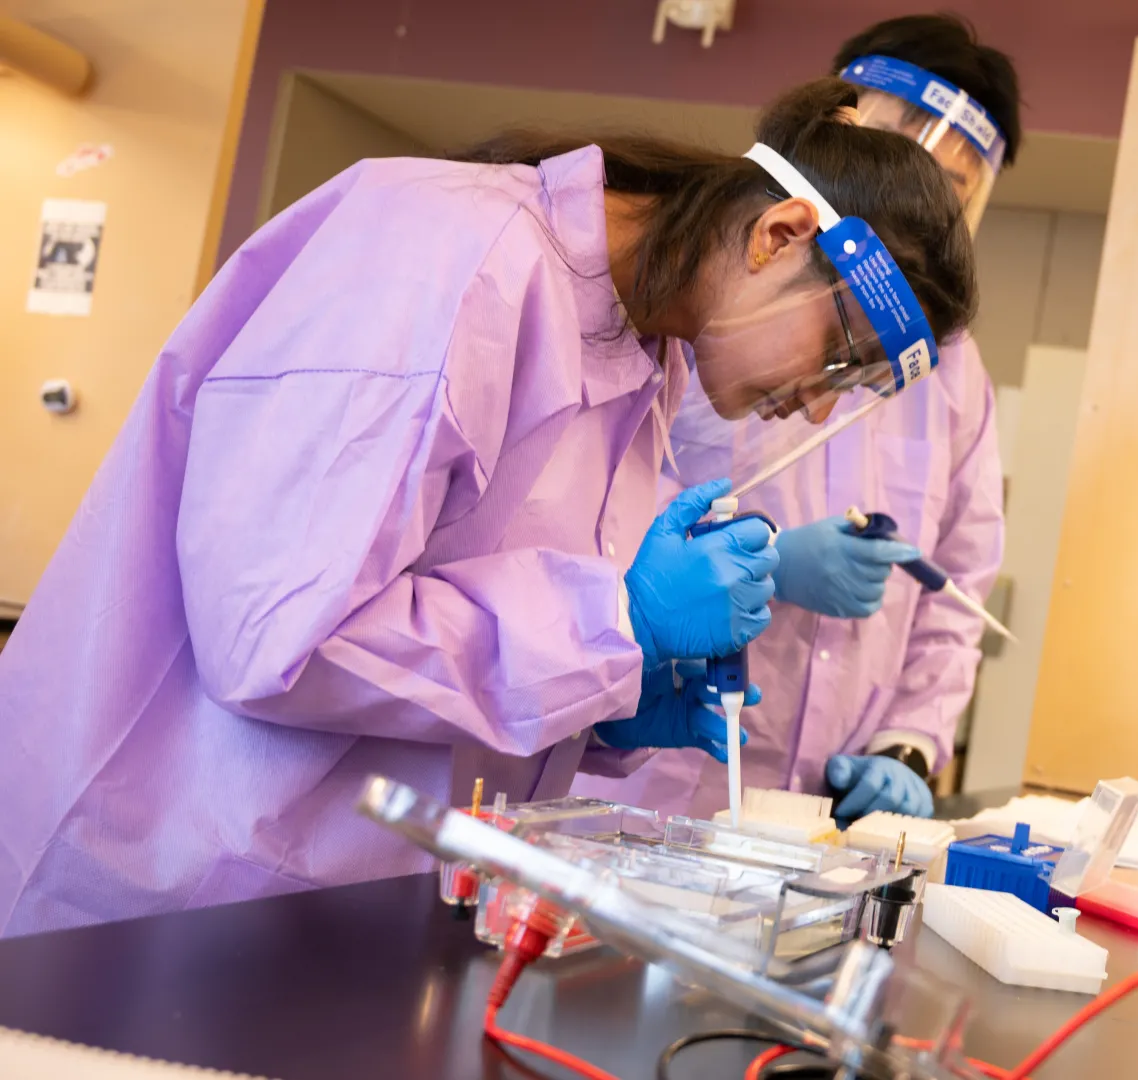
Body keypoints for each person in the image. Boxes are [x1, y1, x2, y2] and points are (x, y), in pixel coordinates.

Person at [0, 79, 977, 937]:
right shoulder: (448, 251)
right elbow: (273, 636)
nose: (817, 407)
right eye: (842, 359)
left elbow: (441, 621)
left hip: (341, 902)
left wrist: (606, 711)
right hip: (161, 899)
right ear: (780, 236)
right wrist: (614, 622)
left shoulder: (642, 357)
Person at [576, 14, 1018, 827]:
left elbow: (958, 581)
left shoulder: (953, 376)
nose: (824, 396)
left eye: (952, 192)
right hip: (650, 772)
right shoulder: (698, 296)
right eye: (906, 158)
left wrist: (909, 743)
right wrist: (768, 558)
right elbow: (594, 497)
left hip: (820, 813)